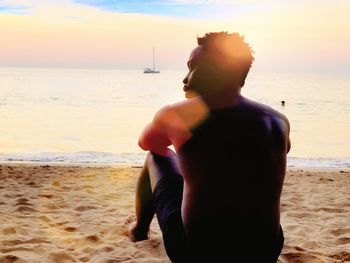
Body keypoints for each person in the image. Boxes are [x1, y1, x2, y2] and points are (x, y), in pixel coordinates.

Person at [127, 32, 291, 263]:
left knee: (156, 157)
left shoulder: (177, 114)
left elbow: (147, 143)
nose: (185, 78)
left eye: (193, 67)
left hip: (195, 253)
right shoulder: (277, 120)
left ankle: (139, 230)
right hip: (265, 251)